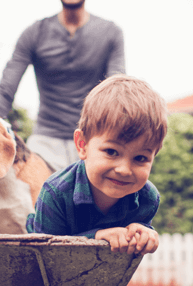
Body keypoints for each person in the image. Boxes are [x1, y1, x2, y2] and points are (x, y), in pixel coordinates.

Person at [0, 0, 125, 171]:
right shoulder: (33, 34)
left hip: (93, 140)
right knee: (39, 195)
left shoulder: (110, 33)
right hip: (44, 143)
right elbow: (5, 91)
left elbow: (116, 90)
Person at [26, 74, 168, 256]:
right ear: (82, 145)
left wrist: (144, 233)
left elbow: (123, 262)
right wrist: (96, 237)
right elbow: (46, 256)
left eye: (140, 158)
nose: (124, 170)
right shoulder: (55, 193)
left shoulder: (147, 199)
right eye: (111, 152)